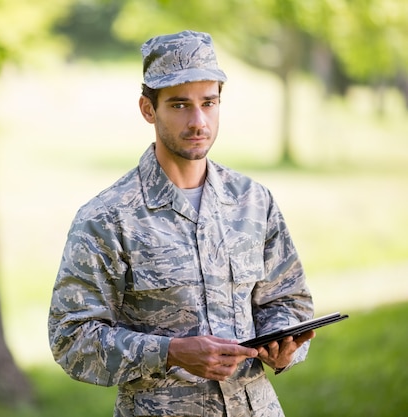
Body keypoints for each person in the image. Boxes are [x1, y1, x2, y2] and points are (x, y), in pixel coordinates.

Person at [48, 30, 315, 417]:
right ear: (147, 109)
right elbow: (71, 338)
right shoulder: (108, 217)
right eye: (179, 105)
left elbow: (288, 300)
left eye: (209, 103)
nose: (198, 121)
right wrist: (170, 353)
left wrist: (283, 344)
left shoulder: (253, 201)